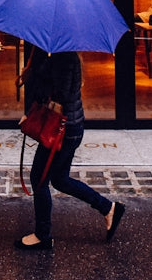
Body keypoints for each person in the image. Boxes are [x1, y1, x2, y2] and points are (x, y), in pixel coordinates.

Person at [13, 49, 125, 250]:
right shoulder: (66, 57)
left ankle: (42, 235)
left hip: (62, 131)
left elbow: (60, 95)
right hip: (69, 129)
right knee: (60, 179)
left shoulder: (63, 59)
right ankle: (108, 208)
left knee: (39, 178)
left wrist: (36, 72)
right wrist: (33, 69)